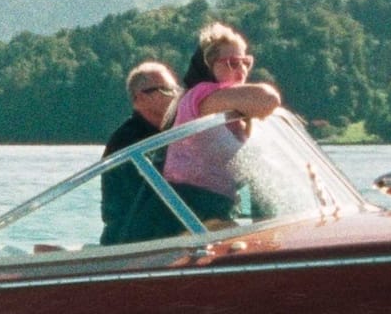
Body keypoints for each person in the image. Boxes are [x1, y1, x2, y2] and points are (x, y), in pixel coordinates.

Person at [160, 22, 283, 222]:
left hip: (217, 206)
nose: (241, 70)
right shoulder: (202, 97)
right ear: (209, 66)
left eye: (246, 62)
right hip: (189, 206)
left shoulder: (235, 114)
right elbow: (268, 100)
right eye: (232, 63)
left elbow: (245, 175)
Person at [99, 61, 181, 244]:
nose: (176, 96)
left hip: (163, 235)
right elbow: (151, 200)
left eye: (176, 89)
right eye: (167, 90)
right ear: (140, 98)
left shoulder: (172, 133)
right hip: (133, 243)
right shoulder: (127, 141)